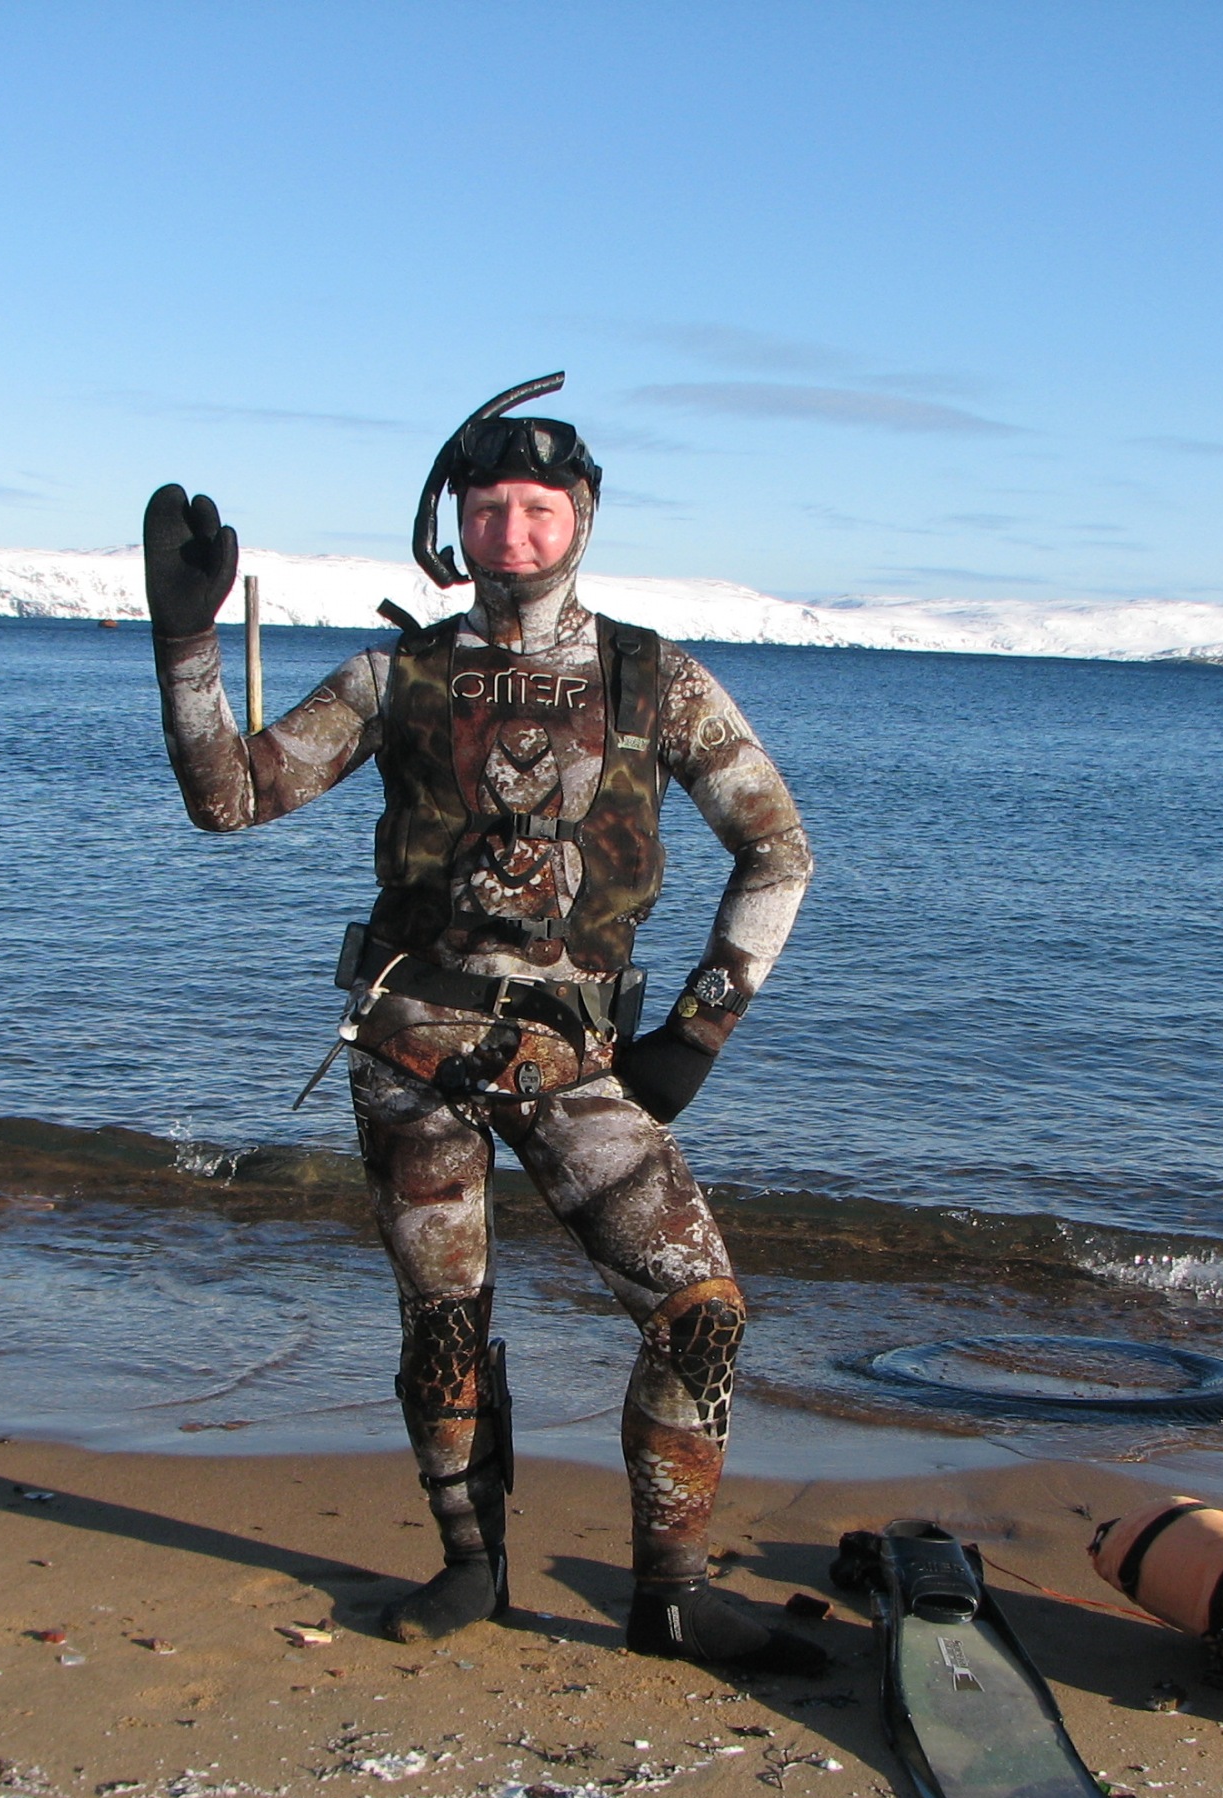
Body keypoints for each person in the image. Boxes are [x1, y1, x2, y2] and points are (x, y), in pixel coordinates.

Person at [141, 375, 822, 1674]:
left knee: (701, 1309)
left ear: (583, 519)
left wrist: (699, 1028)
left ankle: (672, 1593)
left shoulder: (655, 681)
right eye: (490, 508)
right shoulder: (396, 677)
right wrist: (186, 643)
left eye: (539, 509)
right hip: (412, 1050)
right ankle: (470, 1566)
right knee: (444, 1321)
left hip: (575, 1060)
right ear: (454, 522)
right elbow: (230, 799)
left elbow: (779, 851)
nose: (514, 532)